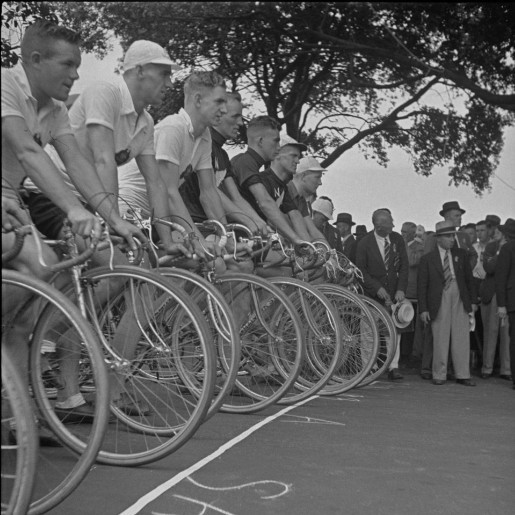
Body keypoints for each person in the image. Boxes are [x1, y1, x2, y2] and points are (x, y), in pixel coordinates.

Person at [2, 20, 107, 440]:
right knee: (37, 265)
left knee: (29, 306)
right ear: (35, 60)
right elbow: (27, 150)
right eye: (68, 63)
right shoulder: (6, 84)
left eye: (79, 65)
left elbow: (77, 162)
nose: (76, 74)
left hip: (9, 200)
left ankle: (14, 418)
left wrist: (107, 216)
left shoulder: (56, 109)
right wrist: (71, 209)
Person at [231, 116, 310, 250]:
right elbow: (265, 203)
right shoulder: (245, 162)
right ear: (261, 141)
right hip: (235, 238)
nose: (278, 148)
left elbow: (296, 215)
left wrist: (308, 245)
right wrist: (296, 240)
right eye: (276, 142)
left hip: (247, 238)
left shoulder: (254, 167)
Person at [418, 220, 478, 386]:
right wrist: (423, 309)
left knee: (461, 337)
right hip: (439, 298)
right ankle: (439, 373)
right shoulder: (428, 259)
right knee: (440, 337)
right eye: (448, 236)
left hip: (459, 296)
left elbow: (469, 280)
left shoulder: (461, 254)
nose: (452, 239)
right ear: (438, 239)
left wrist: (473, 301)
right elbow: (422, 286)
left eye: (453, 235)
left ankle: (463, 374)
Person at [355, 209, 409, 380]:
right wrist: (376, 287)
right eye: (389, 222)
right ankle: (368, 367)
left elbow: (404, 266)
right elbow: (360, 271)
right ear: (378, 225)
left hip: (394, 293)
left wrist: (401, 289)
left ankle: (393, 367)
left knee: (393, 331)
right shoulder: (364, 243)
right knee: (369, 331)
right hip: (371, 295)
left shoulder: (397, 240)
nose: (393, 224)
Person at [480, 221, 510, 379]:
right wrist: (500, 251)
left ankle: (507, 369)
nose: (497, 231)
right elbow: (489, 268)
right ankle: (487, 367)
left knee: (507, 334)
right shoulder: (491, 247)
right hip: (492, 293)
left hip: (508, 293)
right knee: (491, 331)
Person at [424, 201, 477, 269]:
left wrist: (467, 269)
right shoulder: (433, 237)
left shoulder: (463, 236)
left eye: (460, 215)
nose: (460, 218)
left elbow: (473, 254)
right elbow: (426, 260)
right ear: (447, 217)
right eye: (456, 216)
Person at [400, 221, 425, 366]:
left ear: (412, 233)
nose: (402, 234)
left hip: (414, 292)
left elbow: (411, 261)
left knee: (412, 328)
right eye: (401, 231)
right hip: (402, 291)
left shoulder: (419, 247)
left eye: (405, 232)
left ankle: (411, 355)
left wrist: (405, 245)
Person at [495, 218, 515, 389]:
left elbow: (501, 278)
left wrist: (502, 304)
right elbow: (501, 278)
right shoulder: (508, 249)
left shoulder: (507, 248)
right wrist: (502, 304)